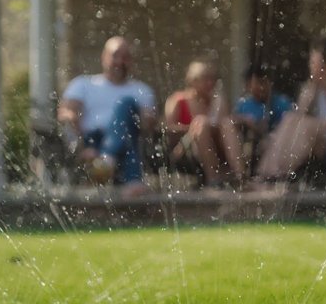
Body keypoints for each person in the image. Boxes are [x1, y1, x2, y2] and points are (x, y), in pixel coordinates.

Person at [255, 29, 326, 184]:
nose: (310, 65)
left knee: (306, 126)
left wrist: (308, 124)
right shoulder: (315, 91)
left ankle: (275, 178)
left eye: (313, 59)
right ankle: (263, 177)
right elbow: (296, 119)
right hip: (321, 148)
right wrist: (309, 93)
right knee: (290, 119)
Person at [57, 36, 157, 194]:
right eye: (115, 55)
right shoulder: (83, 84)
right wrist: (82, 146)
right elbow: (65, 113)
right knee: (127, 141)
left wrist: (147, 118)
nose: (120, 61)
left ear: (131, 62)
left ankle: (106, 160)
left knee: (127, 103)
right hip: (91, 142)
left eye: (125, 57)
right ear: (104, 57)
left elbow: (147, 125)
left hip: (128, 138)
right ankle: (132, 180)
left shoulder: (141, 90)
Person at [164, 59, 245, 187]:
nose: (210, 83)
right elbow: (169, 129)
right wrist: (193, 128)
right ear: (193, 80)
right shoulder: (178, 100)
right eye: (205, 79)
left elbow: (225, 128)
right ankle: (213, 178)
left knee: (226, 123)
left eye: (213, 79)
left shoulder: (218, 101)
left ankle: (240, 177)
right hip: (187, 148)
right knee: (201, 122)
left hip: (218, 148)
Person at [233, 62, 294, 171]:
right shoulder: (244, 105)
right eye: (254, 84)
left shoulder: (281, 103)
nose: (260, 88)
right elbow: (233, 123)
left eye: (262, 83)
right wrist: (244, 121)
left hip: (276, 144)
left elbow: (289, 129)